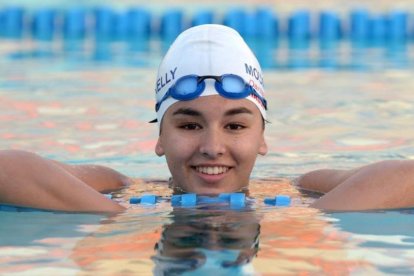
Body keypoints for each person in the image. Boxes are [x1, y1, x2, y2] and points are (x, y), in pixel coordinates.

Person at [0, 24, 414, 212]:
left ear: (262, 138)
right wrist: (114, 214)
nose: (212, 146)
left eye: (235, 125)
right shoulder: (118, 189)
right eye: (188, 124)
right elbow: (7, 168)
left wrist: (318, 212)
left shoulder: (301, 191)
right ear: (160, 135)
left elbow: (406, 175)